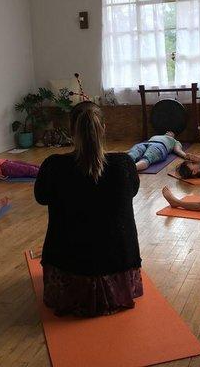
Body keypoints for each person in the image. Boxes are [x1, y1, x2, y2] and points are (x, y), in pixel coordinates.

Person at [35, 101, 143, 317]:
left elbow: (41, 198)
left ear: (71, 130)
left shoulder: (54, 166)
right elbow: (132, 192)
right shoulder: (124, 164)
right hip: (118, 260)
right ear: (103, 127)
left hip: (68, 263)